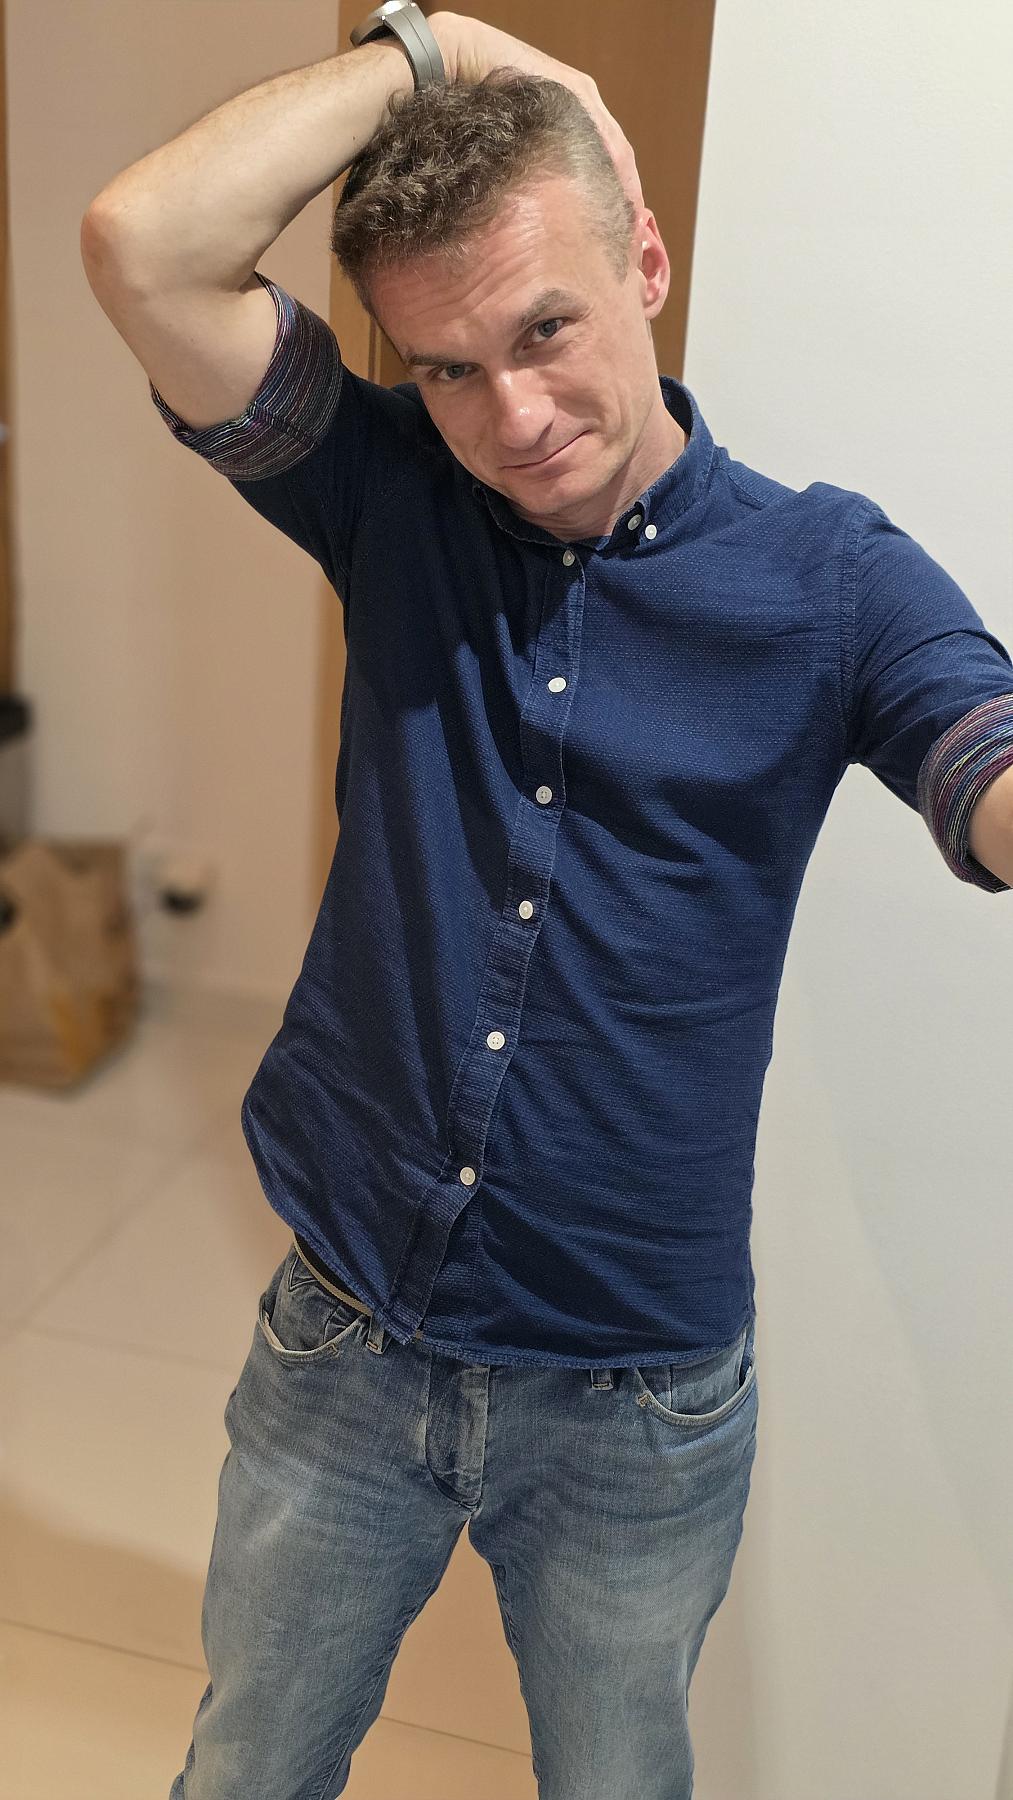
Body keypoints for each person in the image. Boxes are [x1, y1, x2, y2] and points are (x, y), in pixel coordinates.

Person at [80, 11, 1013, 1798]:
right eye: (443, 368)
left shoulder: (828, 578)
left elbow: (982, 759)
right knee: (246, 1768)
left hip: (633, 1396)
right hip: (346, 1327)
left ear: (644, 264)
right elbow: (143, 242)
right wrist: (432, 45)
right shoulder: (388, 492)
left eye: (545, 331)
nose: (509, 418)